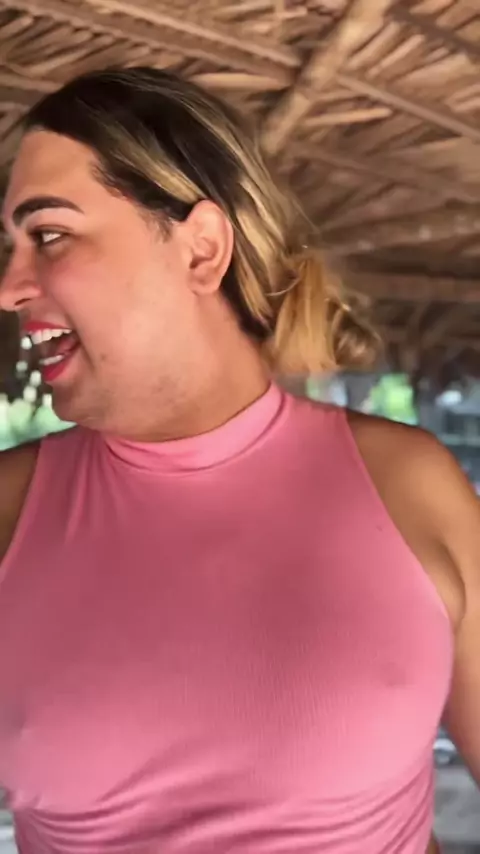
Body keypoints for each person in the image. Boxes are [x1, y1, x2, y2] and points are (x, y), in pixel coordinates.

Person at [0, 67, 477, 854]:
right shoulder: (11, 512)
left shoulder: (409, 487)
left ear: (201, 250)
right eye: (11, 248)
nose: (10, 288)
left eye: (49, 235)